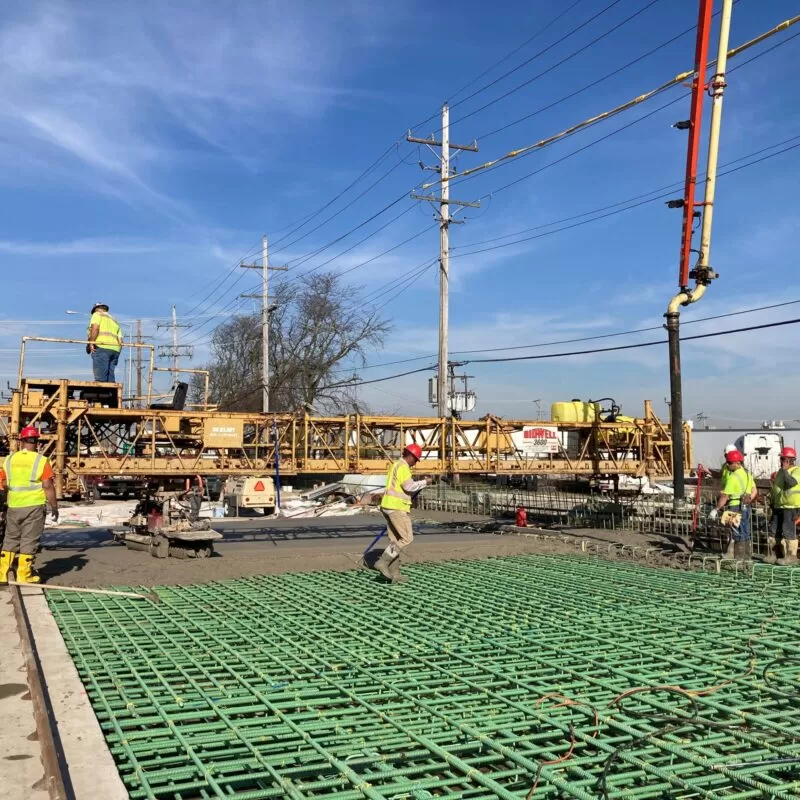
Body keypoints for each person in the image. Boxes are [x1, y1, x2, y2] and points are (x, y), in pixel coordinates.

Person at [0, 427, 59, 584]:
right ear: (37, 442)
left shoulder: (9, 459)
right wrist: (54, 506)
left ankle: (2, 573)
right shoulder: (41, 461)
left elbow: (3, 483)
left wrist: (3, 505)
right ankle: (24, 575)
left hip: (13, 505)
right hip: (34, 506)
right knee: (29, 540)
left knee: (10, 539)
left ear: (22, 441)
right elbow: (48, 486)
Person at [375, 444, 429, 584]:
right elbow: (408, 486)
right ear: (410, 456)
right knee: (407, 538)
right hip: (397, 508)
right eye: (415, 460)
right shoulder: (403, 466)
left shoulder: (395, 465)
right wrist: (425, 482)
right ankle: (383, 562)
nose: (415, 463)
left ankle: (395, 574)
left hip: (387, 506)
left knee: (395, 540)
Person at [708, 449, 757, 560]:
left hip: (735, 507)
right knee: (745, 531)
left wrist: (716, 509)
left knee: (737, 532)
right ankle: (746, 558)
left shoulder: (733, 477)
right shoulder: (747, 474)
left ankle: (739, 559)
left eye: (730, 463)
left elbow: (725, 496)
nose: (728, 465)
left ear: (737, 463)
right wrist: (749, 499)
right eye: (727, 462)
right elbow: (754, 490)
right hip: (746, 506)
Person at [769, 446, 800, 565]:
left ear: (790, 460)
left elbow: (791, 482)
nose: (781, 461)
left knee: (788, 531)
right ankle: (776, 554)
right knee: (774, 530)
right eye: (781, 458)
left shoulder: (797, 471)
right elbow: (777, 489)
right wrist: (773, 501)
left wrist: (785, 470)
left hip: (791, 506)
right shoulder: (781, 472)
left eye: (783, 458)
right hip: (779, 505)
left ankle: (791, 556)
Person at [87, 302, 123, 382]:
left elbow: (95, 328)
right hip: (115, 350)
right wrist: (117, 353)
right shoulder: (114, 320)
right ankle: (112, 394)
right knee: (110, 379)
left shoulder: (97, 314)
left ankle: (101, 393)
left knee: (101, 379)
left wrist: (91, 343)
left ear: (95, 310)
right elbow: (120, 340)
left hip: (101, 347)